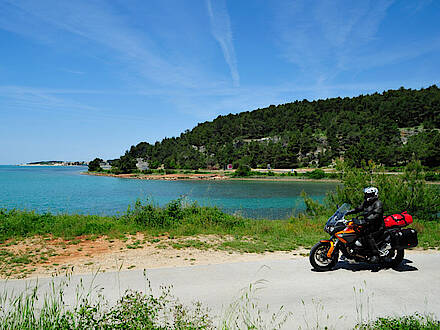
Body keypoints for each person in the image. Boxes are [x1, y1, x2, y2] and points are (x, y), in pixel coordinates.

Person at [346, 187, 384, 263]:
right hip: (368, 224)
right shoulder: (366, 203)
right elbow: (358, 209)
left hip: (376, 226)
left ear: (374, 194)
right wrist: (348, 212)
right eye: (367, 195)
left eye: (369, 195)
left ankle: (375, 255)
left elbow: (376, 214)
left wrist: (364, 220)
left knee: (368, 235)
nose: (368, 196)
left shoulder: (378, 203)